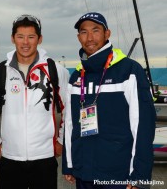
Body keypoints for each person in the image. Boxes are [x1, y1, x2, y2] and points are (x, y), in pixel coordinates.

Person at [62, 12, 156, 189]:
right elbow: (70, 124)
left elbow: (143, 127)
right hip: (84, 174)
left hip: (118, 176)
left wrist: (140, 177)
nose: (89, 37)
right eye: (84, 32)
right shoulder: (76, 76)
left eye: (96, 30)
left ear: (107, 34)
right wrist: (69, 163)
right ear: (78, 37)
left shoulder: (129, 71)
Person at [0, 14, 69, 189]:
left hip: (45, 159)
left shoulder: (56, 70)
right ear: (13, 38)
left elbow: (70, 111)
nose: (25, 42)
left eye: (31, 37)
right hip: (10, 160)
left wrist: (61, 141)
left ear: (40, 39)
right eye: (20, 36)